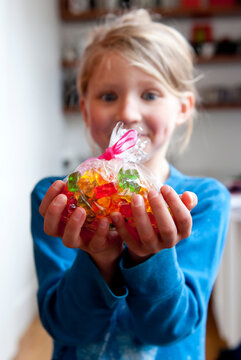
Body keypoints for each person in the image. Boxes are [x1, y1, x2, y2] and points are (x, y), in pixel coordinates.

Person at [31, 9, 231, 360]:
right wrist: (98, 258)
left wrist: (150, 255)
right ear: (85, 109)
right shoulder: (60, 199)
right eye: (108, 96)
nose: (128, 112)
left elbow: (171, 329)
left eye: (150, 95)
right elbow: (64, 326)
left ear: (183, 107)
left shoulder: (203, 202)